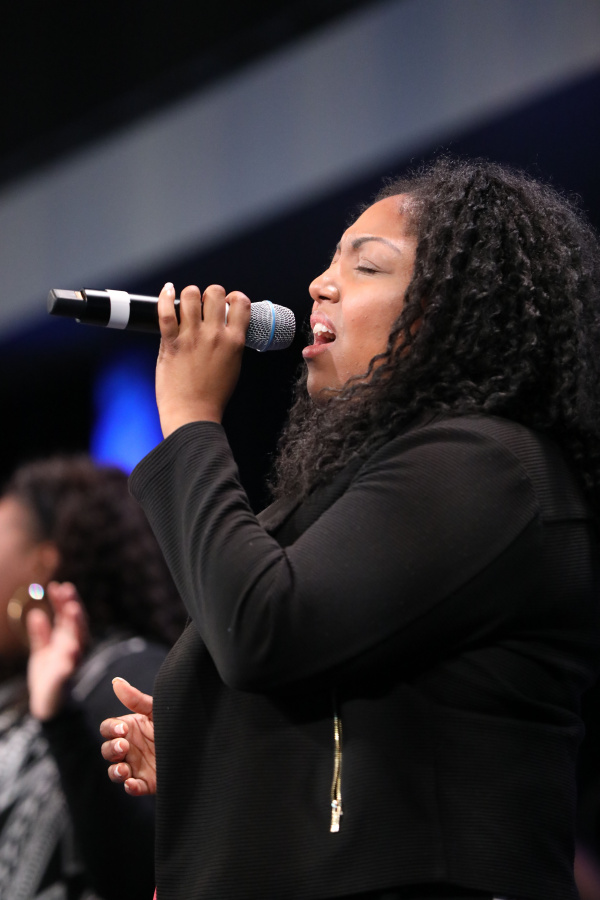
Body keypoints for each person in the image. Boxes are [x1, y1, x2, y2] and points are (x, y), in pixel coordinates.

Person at [100, 157, 600, 900]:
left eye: (366, 266)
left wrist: (191, 419)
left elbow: (261, 626)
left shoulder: (485, 465)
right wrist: (216, 751)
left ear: (453, 308)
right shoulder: (372, 485)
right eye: (331, 262)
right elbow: (358, 723)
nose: (319, 284)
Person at [0, 455, 185, 900]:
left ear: (42, 566)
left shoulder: (131, 677)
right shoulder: (15, 693)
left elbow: (142, 871)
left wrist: (60, 720)